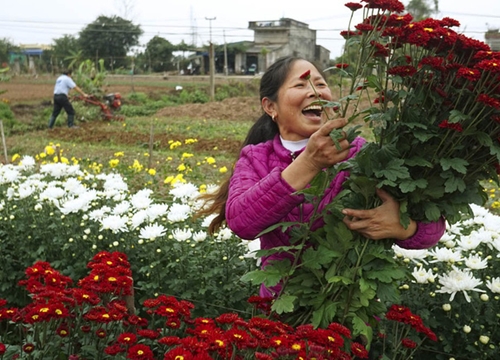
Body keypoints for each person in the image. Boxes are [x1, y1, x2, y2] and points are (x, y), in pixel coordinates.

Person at [198, 55, 445, 297]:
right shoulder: (255, 158)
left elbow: (432, 226)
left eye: (320, 84)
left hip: (350, 305)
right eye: (300, 84)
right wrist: (310, 162)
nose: (314, 92)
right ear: (270, 106)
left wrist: (403, 227)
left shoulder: (358, 152)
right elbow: (242, 222)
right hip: (280, 307)